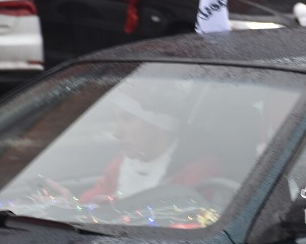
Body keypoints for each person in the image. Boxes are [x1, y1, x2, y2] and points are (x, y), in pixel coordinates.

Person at [44, 87, 220, 205]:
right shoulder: (121, 163)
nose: (116, 132)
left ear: (159, 125)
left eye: (127, 120)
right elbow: (92, 204)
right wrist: (71, 206)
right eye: (116, 120)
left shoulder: (197, 173)